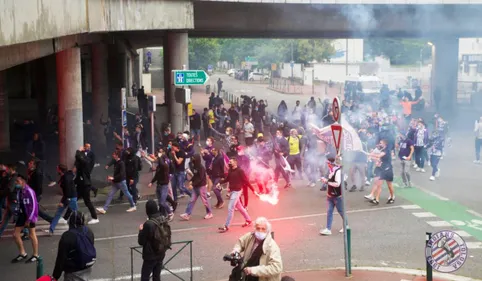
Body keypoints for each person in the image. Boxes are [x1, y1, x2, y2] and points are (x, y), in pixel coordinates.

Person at [230, 217, 283, 281]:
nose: (260, 231)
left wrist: (254, 270)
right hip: (247, 273)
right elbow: (240, 242)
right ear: (255, 228)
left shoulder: (272, 246)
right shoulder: (250, 237)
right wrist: (236, 250)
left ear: (267, 231)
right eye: (258, 228)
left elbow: (276, 267)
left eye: (263, 229)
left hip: (261, 278)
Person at [52, 211, 96, 281]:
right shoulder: (88, 231)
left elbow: (61, 258)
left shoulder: (67, 236)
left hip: (73, 270)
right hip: (88, 266)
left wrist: (55, 276)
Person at [217, 158, 254, 233]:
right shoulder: (230, 170)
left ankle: (226, 226)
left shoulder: (240, 171)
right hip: (232, 191)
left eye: (231, 162)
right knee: (240, 207)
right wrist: (220, 182)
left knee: (230, 208)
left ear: (235, 163)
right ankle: (249, 220)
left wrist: (253, 190)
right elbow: (227, 179)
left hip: (237, 191)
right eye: (229, 162)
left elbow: (246, 181)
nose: (229, 163)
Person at [138, 200, 171, 281]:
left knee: (145, 277)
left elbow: (141, 242)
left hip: (150, 255)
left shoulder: (148, 224)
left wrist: (141, 230)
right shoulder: (163, 218)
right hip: (161, 252)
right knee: (156, 276)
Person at [11, 175, 40, 263]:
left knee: (32, 234)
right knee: (16, 234)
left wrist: (29, 219)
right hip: (22, 215)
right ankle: (23, 253)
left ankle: (35, 255)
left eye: (18, 181)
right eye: (16, 182)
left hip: (30, 216)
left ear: (23, 181)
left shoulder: (29, 191)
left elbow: (34, 206)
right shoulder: (19, 191)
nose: (16, 183)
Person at [180, 154, 213, 220]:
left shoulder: (201, 168)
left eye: (193, 158)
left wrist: (192, 184)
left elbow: (200, 178)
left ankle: (209, 213)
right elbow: (195, 176)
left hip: (201, 187)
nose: (192, 159)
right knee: (191, 200)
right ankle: (187, 214)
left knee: (205, 201)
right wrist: (191, 181)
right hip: (196, 187)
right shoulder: (195, 166)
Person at [48, 164, 78, 235]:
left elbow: (68, 191)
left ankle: (51, 229)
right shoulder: (66, 176)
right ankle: (51, 229)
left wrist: (64, 201)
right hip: (71, 196)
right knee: (73, 213)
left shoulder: (66, 178)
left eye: (57, 169)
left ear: (60, 170)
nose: (56, 170)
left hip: (70, 197)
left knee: (74, 213)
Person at [319, 157, 345, 236]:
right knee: (329, 211)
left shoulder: (338, 171)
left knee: (341, 212)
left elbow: (337, 184)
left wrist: (327, 181)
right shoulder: (331, 170)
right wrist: (324, 179)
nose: (327, 164)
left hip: (337, 195)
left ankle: (346, 226)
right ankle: (328, 229)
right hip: (330, 195)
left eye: (328, 163)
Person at [148, 147, 174, 221]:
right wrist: (151, 182)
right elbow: (156, 175)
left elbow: (162, 163)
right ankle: (163, 214)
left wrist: (159, 157)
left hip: (164, 186)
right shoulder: (159, 166)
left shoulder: (165, 166)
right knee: (160, 202)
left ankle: (170, 212)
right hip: (159, 185)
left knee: (162, 202)